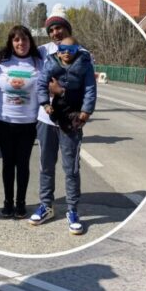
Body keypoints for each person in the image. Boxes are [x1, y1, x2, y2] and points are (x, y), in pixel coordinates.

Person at [32, 20, 96, 234]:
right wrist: (44, 102)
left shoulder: (84, 57)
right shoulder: (45, 53)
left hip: (71, 120)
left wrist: (85, 112)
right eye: (50, 30)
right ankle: (46, 205)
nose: (54, 32)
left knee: (71, 168)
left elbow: (89, 89)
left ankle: (72, 210)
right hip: (46, 119)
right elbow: (39, 81)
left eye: (58, 28)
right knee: (46, 165)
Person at [0, 25, 44, 219]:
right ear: (11, 43)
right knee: (7, 162)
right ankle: (7, 202)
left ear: (30, 41)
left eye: (25, 39)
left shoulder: (39, 63)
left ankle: (21, 203)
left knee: (23, 163)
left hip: (28, 122)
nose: (21, 43)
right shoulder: (2, 63)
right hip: (3, 120)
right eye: (17, 40)